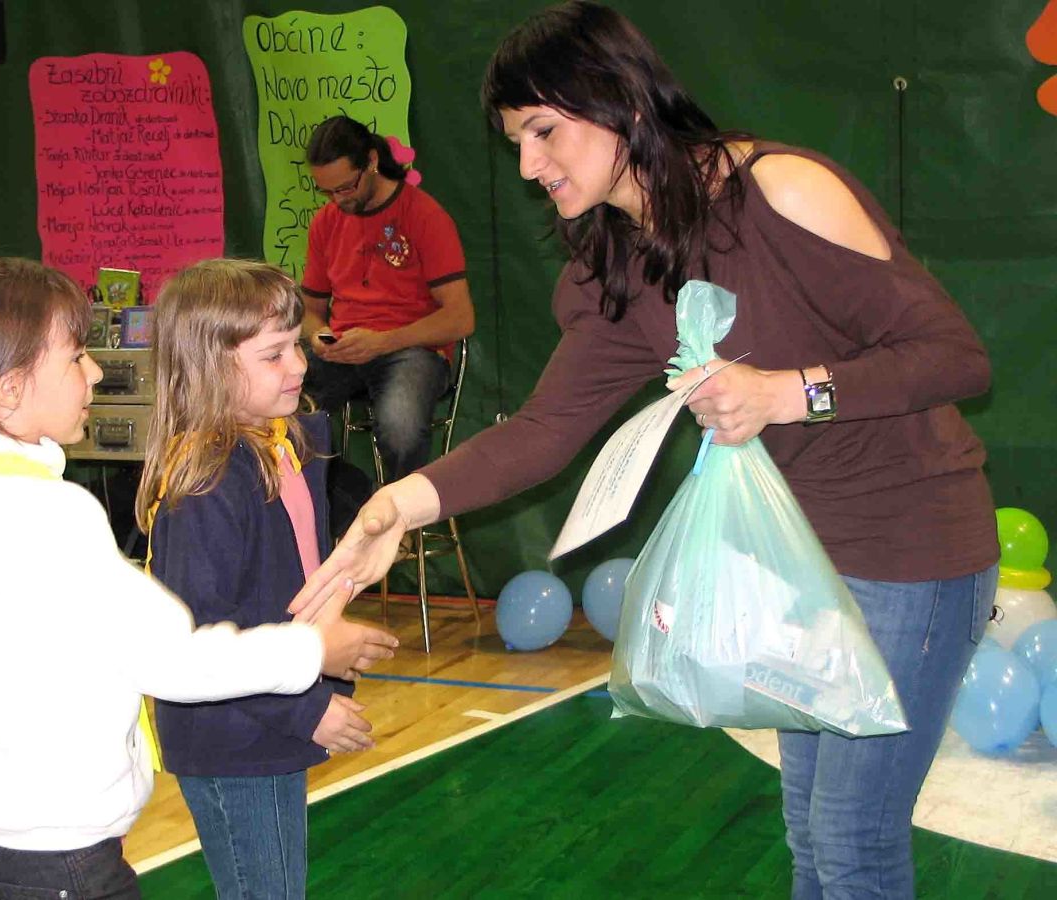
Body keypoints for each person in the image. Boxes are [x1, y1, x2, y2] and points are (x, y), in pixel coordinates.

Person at [296, 4, 1000, 898]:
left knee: (853, 839)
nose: (529, 166)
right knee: (812, 836)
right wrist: (396, 505)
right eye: (516, 142)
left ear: (621, 103)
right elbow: (545, 430)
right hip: (798, 564)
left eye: (544, 131)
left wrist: (788, 392)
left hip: (910, 550)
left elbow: (955, 357)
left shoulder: (782, 191)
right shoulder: (622, 269)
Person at [0, 257, 397, 898]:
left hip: (9, 826)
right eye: (76, 357)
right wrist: (312, 651)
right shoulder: (42, 510)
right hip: (50, 843)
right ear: (10, 389)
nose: (96, 371)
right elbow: (173, 658)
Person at [137, 259, 381, 899]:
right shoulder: (210, 483)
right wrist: (304, 707)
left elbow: (292, 581)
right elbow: (201, 639)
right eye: (274, 354)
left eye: (296, 345)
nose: (299, 365)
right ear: (209, 367)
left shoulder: (281, 444)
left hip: (266, 720)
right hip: (234, 736)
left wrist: (326, 659)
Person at [301, 115, 475, 486]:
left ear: (372, 161)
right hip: (344, 349)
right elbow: (310, 312)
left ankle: (402, 515)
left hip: (413, 350)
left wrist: (383, 342)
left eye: (346, 187)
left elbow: (460, 318)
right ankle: (308, 505)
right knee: (276, 399)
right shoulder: (325, 223)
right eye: (327, 192)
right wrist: (319, 336)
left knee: (400, 426)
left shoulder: (425, 215)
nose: (338, 200)